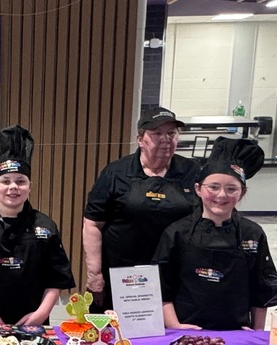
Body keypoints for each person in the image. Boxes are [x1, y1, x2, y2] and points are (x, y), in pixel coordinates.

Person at [0, 126, 75, 325]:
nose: (13, 187)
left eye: (20, 181)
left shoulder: (45, 226)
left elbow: (57, 278)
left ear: (30, 186)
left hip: (33, 323)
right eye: (5, 181)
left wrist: (40, 315)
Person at [153, 138, 277, 330]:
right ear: (198, 189)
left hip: (237, 331)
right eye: (213, 187)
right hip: (186, 330)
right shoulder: (177, 232)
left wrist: (256, 333)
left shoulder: (253, 234)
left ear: (242, 193)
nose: (221, 195)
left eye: (231, 189)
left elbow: (261, 290)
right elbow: (162, 287)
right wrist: (174, 326)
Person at [82, 106, 201, 308]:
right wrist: (95, 274)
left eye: (171, 133)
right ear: (140, 140)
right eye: (157, 133)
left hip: (174, 275)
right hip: (123, 275)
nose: (166, 139)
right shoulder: (116, 172)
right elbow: (93, 223)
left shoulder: (192, 171)